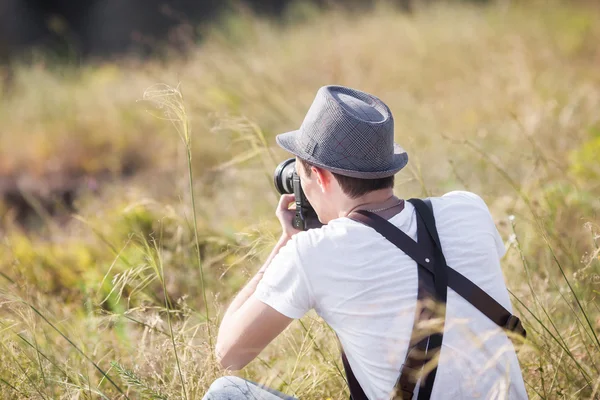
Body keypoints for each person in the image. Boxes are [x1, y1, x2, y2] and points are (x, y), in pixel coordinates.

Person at [203, 86, 527, 399]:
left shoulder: (312, 253)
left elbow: (228, 354)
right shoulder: (468, 208)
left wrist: (287, 243)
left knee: (225, 393)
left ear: (321, 177)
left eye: (302, 176)